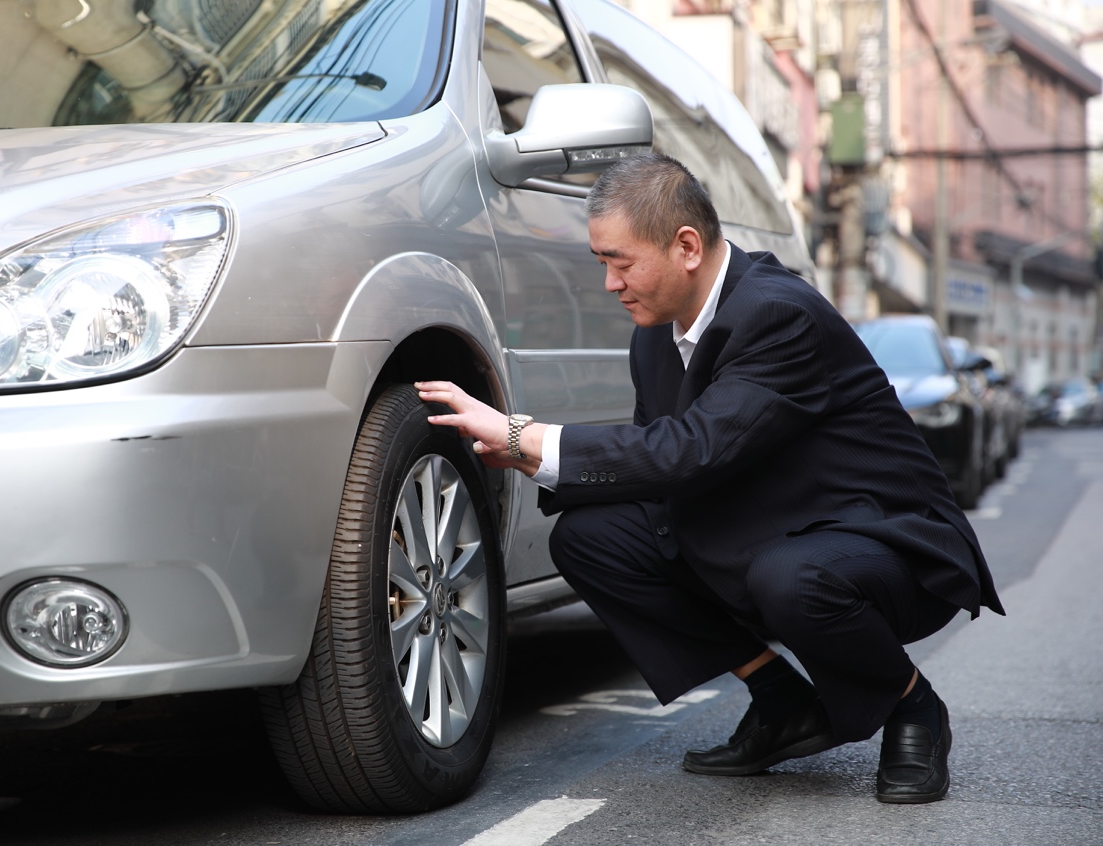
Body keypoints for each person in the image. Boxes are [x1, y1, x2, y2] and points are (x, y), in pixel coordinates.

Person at [415, 151, 1003, 804]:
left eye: (619, 261)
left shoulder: (778, 315)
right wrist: (526, 457)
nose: (610, 283)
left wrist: (525, 435)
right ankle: (781, 700)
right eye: (601, 263)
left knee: (792, 577)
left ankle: (912, 704)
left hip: (881, 545)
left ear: (686, 247)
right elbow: (657, 463)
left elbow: (690, 451)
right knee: (589, 537)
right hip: (768, 531)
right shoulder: (655, 335)